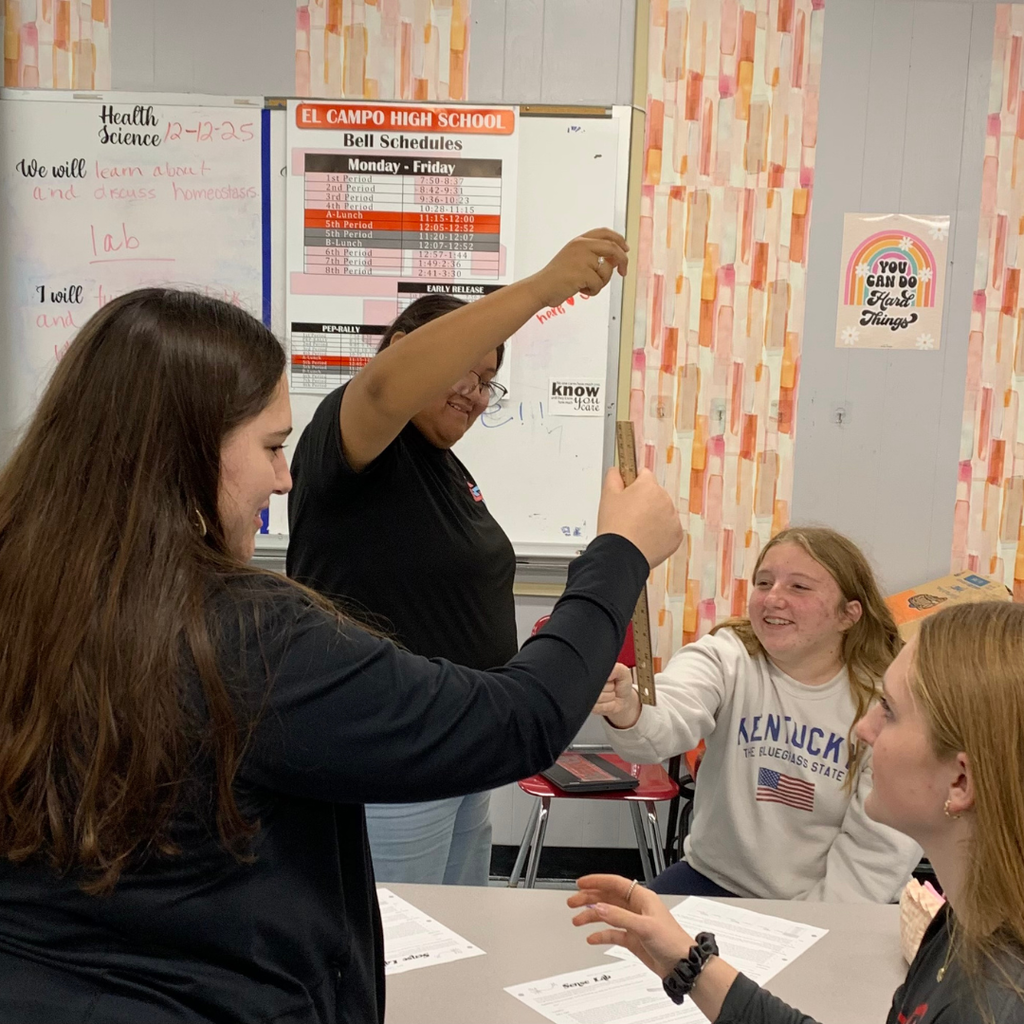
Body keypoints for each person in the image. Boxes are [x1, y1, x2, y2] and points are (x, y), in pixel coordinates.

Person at [0, 288, 683, 1023]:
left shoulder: (30, 592)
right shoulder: (243, 637)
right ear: (184, 450)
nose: (283, 478)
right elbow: (520, 721)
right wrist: (618, 556)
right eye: (269, 446)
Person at [287, 229, 628, 886]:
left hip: (461, 751)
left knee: (452, 935)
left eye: (488, 381)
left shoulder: (447, 470)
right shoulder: (356, 440)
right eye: (463, 371)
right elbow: (385, 388)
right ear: (404, 355)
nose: (474, 392)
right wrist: (541, 288)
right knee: (399, 950)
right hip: (388, 756)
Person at [569, 601, 1024, 1023]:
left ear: (961, 781)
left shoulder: (989, 1000)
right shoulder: (961, 926)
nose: (864, 728)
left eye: (888, 710)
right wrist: (689, 964)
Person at [594, 527, 921, 901]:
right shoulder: (727, 656)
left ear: (848, 615)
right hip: (712, 880)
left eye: (799, 587)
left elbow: (878, 849)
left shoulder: (884, 703)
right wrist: (630, 708)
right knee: (626, 950)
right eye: (764, 583)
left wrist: (807, 925)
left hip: (832, 898)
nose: (773, 599)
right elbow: (667, 719)